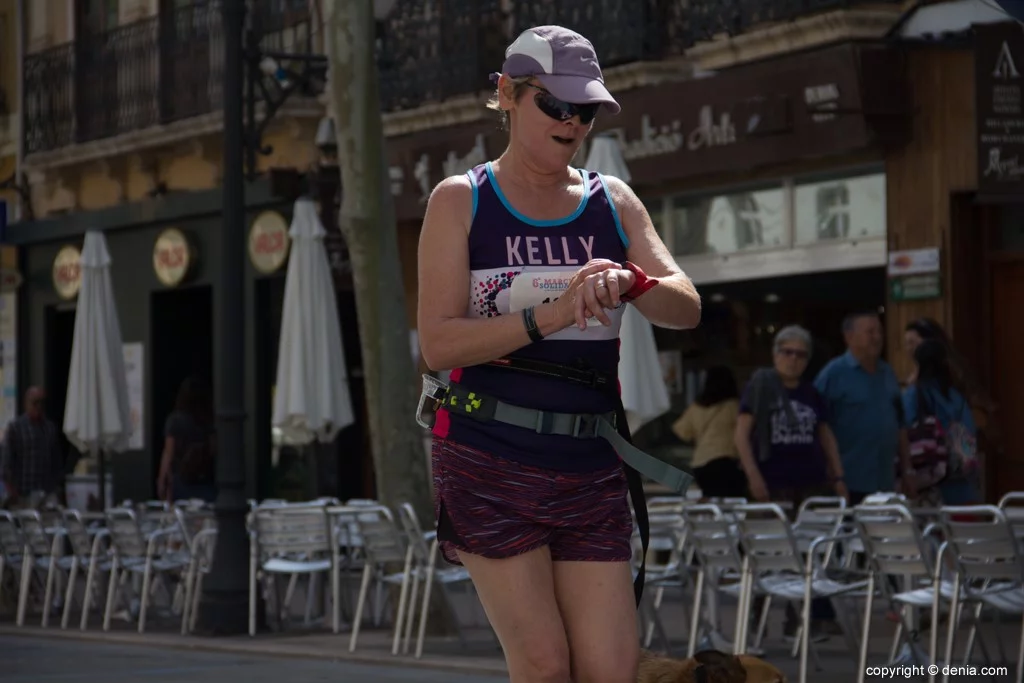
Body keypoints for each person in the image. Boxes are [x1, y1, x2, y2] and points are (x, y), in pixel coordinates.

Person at [417, 25, 702, 683]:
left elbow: (685, 305)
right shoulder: (461, 199)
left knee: (610, 669)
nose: (573, 122)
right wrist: (552, 312)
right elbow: (438, 342)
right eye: (556, 105)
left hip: (591, 463)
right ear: (507, 95)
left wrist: (634, 282)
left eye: (587, 109)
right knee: (545, 664)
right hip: (487, 455)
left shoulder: (613, 201)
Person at [734, 325, 846, 639]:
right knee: (766, 553)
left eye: (801, 354)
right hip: (771, 486)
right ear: (775, 354)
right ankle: (754, 624)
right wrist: (753, 476)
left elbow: (825, 436)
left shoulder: (812, 394)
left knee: (808, 552)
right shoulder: (762, 386)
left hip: (810, 485)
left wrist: (838, 476)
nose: (793, 359)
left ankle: (801, 619)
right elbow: (741, 435)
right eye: (787, 352)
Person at [815, 312, 912, 504]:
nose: (877, 338)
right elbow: (818, 427)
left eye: (880, 332)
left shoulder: (888, 373)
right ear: (849, 337)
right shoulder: (833, 375)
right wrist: (834, 476)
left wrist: (907, 469)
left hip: (885, 482)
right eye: (870, 332)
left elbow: (900, 425)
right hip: (848, 482)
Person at [903, 339, 979, 505]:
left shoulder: (913, 395)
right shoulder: (956, 396)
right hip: (962, 485)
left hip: (928, 489)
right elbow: (970, 432)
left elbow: (902, 432)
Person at [671, 365, 747, 499]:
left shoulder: (696, 407)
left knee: (712, 504)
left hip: (700, 464)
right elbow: (745, 433)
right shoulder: (734, 406)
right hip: (726, 463)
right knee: (732, 505)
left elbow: (682, 431)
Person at [1, 387, 65, 510]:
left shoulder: (49, 428)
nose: (39, 406)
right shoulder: (16, 428)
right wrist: (12, 490)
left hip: (45, 493)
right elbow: (6, 462)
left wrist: (57, 488)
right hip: (22, 493)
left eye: (42, 403)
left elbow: (56, 461)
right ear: (27, 404)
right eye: (35, 402)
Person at [157, 377, 216, 503]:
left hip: (181, 479)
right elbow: (213, 449)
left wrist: (162, 480)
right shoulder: (208, 420)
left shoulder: (175, 420)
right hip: (204, 478)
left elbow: (168, 454)